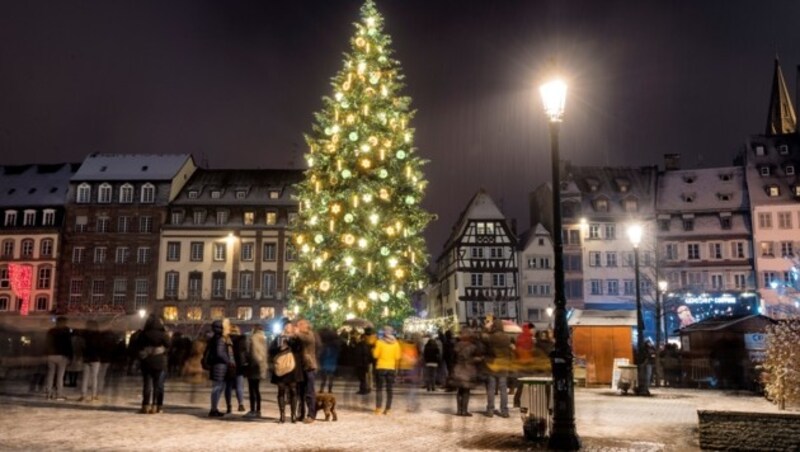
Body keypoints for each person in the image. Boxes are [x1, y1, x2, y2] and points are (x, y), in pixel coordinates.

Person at [269, 320, 304, 423]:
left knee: (293, 390)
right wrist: (279, 347)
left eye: (290, 326)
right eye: (286, 326)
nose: (288, 328)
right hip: (281, 367)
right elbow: (271, 351)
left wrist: (291, 339)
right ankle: (282, 415)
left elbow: (299, 348)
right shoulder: (278, 337)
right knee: (281, 390)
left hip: (293, 367)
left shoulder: (296, 338)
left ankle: (293, 415)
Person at [135, 314, 169, 414]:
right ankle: (155, 406)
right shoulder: (162, 334)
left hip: (146, 360)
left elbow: (138, 345)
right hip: (159, 361)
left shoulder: (143, 334)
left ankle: (145, 405)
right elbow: (169, 344)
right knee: (157, 385)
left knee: (147, 384)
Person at [483, 318, 512, 418]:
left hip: (492, 365)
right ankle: (504, 410)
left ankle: (490, 410)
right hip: (503, 365)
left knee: (491, 388)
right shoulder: (507, 338)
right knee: (503, 389)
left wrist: (486, 328)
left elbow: (481, 338)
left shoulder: (490, 337)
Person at [206, 319, 234, 417]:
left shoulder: (216, 338)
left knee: (218, 387)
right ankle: (213, 410)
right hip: (220, 366)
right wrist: (228, 361)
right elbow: (220, 353)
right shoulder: (220, 339)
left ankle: (214, 408)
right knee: (217, 387)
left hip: (219, 366)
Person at [373, 325, 402, 415]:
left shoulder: (379, 342)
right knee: (389, 389)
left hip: (381, 367)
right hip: (391, 368)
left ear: (384, 333)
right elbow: (398, 357)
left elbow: (375, 355)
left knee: (379, 389)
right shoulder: (396, 344)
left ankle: (378, 408)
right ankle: (388, 409)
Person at [295, 318, 318, 423]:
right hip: (301, 367)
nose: (298, 326)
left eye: (300, 325)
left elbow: (305, 340)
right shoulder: (300, 336)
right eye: (298, 325)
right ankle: (301, 414)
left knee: (309, 392)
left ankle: (311, 415)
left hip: (310, 366)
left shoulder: (309, 335)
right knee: (301, 392)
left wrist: (296, 333)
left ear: (306, 326)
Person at [452, 329, 480, 416]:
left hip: (458, 369)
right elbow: (476, 358)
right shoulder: (473, 347)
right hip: (468, 370)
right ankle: (464, 410)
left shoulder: (456, 346)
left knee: (459, 390)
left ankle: (459, 410)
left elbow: (452, 358)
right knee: (466, 391)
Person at [44, 316, 73, 400]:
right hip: (62, 355)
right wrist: (70, 356)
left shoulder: (51, 331)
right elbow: (68, 345)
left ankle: (48, 393)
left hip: (51, 355)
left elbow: (47, 343)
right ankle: (59, 393)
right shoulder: (66, 332)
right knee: (60, 376)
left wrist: (46, 353)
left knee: (50, 375)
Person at [245, 324, 268, 418]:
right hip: (261, 366)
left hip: (253, 366)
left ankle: (252, 410)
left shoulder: (253, 338)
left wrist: (249, 362)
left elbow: (252, 353)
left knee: (252, 389)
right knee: (257, 390)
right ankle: (258, 410)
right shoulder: (263, 338)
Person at [78, 320, 102, 402]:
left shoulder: (85, 335)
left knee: (85, 377)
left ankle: (83, 395)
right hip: (95, 358)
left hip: (86, 357)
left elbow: (82, 346)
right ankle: (93, 395)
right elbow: (100, 346)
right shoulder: (98, 335)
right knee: (94, 377)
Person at [226, 324, 247, 413]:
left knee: (228, 387)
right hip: (239, 366)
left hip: (229, 365)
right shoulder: (242, 340)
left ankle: (229, 406)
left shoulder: (226, 340)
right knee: (239, 386)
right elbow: (245, 352)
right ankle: (241, 404)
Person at [318, 328, 341, 393]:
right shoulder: (336, 346)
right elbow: (338, 354)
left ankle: (322, 389)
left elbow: (321, 355)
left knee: (324, 378)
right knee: (331, 377)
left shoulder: (324, 346)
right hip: (332, 363)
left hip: (325, 363)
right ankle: (330, 389)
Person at [354, 330, 373, 395]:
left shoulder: (359, 345)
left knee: (362, 378)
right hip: (365, 363)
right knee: (364, 377)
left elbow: (358, 355)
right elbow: (370, 355)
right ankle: (364, 389)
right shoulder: (368, 346)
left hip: (361, 364)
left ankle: (363, 390)